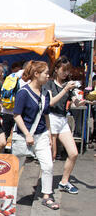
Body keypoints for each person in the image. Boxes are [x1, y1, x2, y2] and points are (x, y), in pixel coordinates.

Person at [12, 61, 58, 210]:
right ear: (36, 74)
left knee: (48, 165)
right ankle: (9, 195)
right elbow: (17, 115)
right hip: (24, 135)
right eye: (46, 73)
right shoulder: (23, 92)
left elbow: (45, 115)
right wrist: (27, 134)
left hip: (42, 134)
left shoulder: (45, 93)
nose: (48, 76)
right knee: (16, 167)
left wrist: (50, 134)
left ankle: (46, 195)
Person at [44, 56, 85, 195]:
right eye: (63, 70)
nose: (66, 73)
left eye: (68, 70)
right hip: (51, 119)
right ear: (56, 69)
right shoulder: (49, 84)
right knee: (52, 155)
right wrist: (65, 89)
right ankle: (46, 188)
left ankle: (64, 182)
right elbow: (50, 103)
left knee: (73, 153)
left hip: (63, 120)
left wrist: (83, 100)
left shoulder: (69, 85)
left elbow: (76, 102)